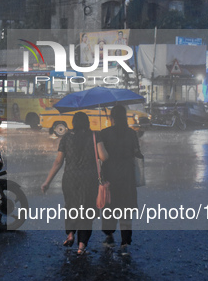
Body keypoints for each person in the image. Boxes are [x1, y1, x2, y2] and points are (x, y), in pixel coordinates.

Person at [41, 112, 103, 255]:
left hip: (70, 179)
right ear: (87, 123)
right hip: (89, 179)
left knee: (71, 207)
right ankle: (81, 245)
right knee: (86, 211)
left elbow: (58, 162)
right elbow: (103, 156)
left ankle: (70, 234)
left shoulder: (66, 138)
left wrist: (47, 182)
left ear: (73, 123)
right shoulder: (94, 136)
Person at [98, 104, 143, 256]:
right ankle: (125, 243)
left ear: (111, 118)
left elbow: (100, 155)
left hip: (110, 175)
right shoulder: (131, 133)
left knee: (109, 207)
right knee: (126, 208)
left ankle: (109, 237)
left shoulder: (104, 133)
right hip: (127, 175)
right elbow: (137, 153)